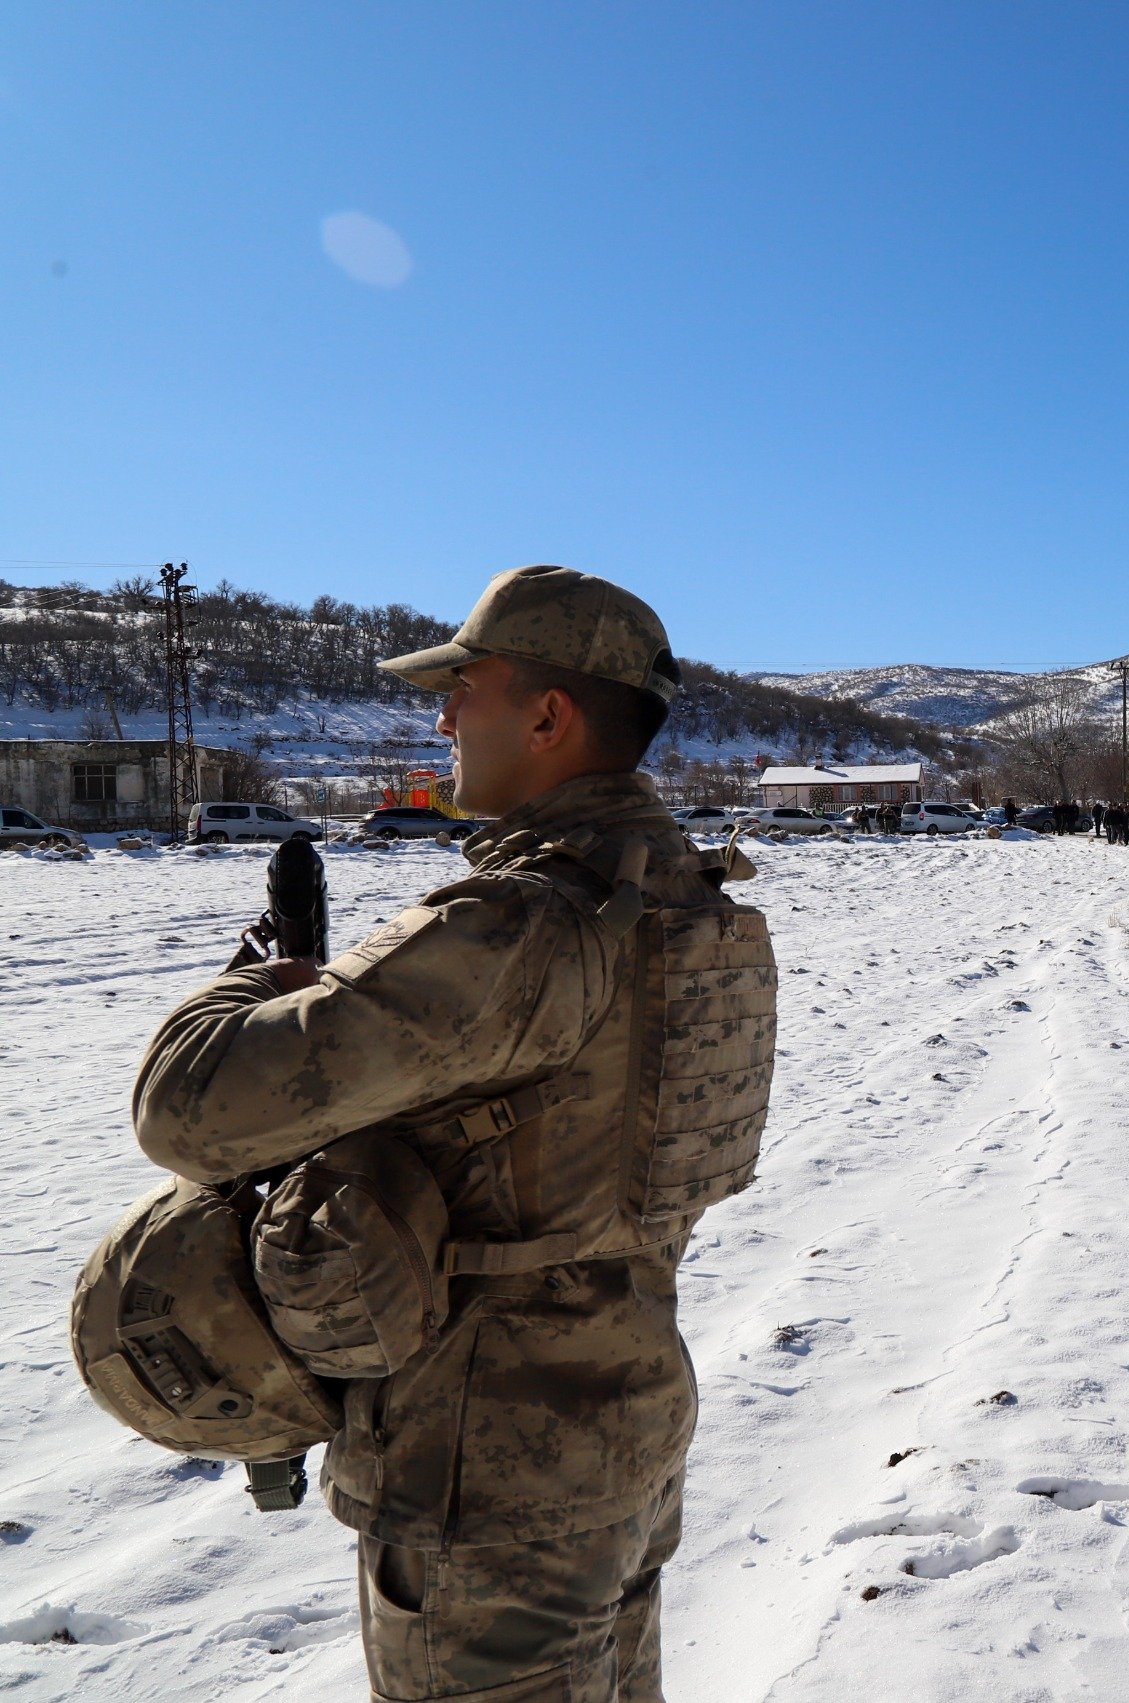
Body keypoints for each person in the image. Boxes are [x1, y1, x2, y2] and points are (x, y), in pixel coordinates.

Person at [130, 565, 772, 1702]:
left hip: (483, 1488)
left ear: (547, 714)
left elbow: (187, 1108)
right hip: (624, 1437)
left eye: (462, 688)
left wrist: (243, 992)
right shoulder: (691, 902)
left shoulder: (520, 923)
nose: (440, 719)